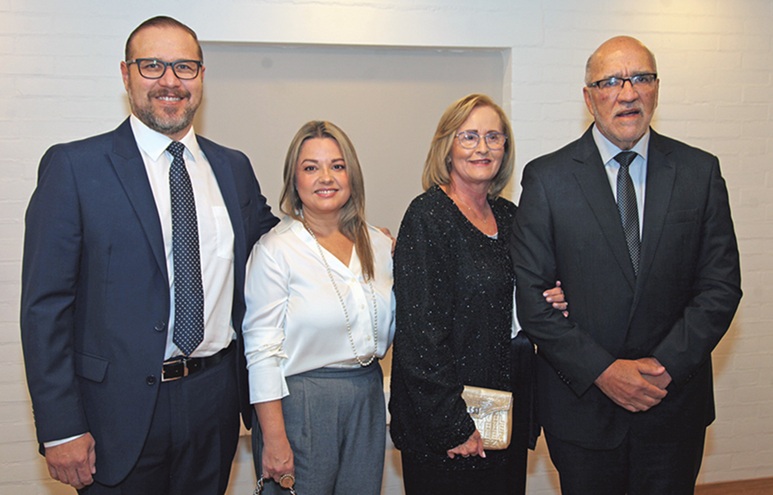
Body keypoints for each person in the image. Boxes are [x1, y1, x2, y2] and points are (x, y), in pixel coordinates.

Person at [20, 16, 277, 494]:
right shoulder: (75, 168)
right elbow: (44, 310)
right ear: (126, 74)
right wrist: (61, 426)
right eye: (152, 66)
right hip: (114, 415)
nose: (170, 81)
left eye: (184, 67)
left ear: (201, 76)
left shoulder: (232, 168)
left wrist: (358, 236)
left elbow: (279, 248)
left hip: (214, 403)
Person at [511, 36, 742, 494]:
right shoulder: (547, 179)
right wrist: (605, 371)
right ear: (589, 96)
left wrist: (662, 367)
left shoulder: (699, 172)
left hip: (672, 406)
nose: (628, 92)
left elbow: (720, 286)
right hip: (583, 410)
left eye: (641, 78)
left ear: (656, 88)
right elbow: (533, 300)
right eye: (611, 81)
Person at [388, 93, 566, 495]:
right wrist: (453, 425)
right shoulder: (428, 216)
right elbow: (420, 338)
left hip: (504, 413)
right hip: (448, 426)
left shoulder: (510, 216)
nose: (482, 148)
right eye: (469, 137)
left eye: (494, 137)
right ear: (446, 147)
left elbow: (516, 297)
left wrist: (549, 298)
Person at [243, 120, 394, 495]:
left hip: (367, 397)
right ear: (294, 180)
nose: (326, 177)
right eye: (311, 167)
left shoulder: (379, 245)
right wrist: (275, 439)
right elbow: (261, 352)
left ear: (352, 175)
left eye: (337, 166)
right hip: (301, 406)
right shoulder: (275, 251)